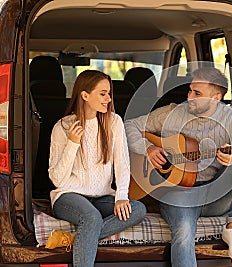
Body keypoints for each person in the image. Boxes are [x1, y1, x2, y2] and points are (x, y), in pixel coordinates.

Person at [124, 67, 232, 266]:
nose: (189, 97)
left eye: (197, 93)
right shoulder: (173, 112)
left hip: (216, 196)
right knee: (184, 231)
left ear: (216, 98)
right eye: (190, 90)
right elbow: (129, 126)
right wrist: (148, 148)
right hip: (177, 194)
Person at [48, 70, 146, 267]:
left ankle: (74, 238)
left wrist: (121, 196)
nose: (108, 99)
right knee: (91, 218)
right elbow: (57, 180)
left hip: (102, 197)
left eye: (109, 93)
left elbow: (122, 163)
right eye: (103, 94)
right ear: (85, 95)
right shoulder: (62, 127)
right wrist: (73, 143)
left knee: (138, 209)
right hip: (68, 195)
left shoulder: (114, 121)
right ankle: (87, 234)